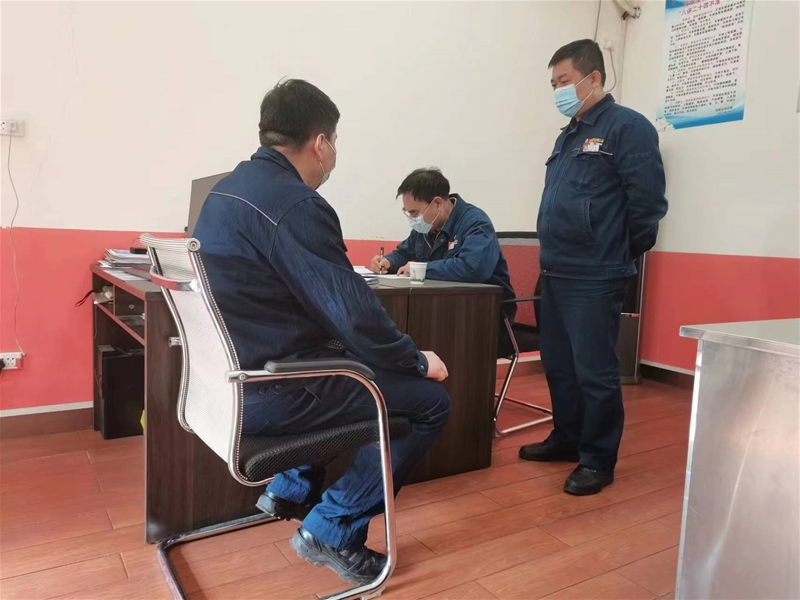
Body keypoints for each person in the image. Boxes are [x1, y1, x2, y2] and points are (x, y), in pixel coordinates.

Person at [192, 80, 451, 584]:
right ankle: (331, 529)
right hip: (272, 391)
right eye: (334, 142)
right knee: (428, 402)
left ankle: (289, 491)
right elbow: (353, 315)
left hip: (230, 383)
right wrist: (417, 360)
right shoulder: (295, 204)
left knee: (348, 367)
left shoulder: (224, 191)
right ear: (320, 142)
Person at [519, 40, 668, 495]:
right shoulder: (568, 134)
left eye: (564, 81)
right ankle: (567, 437)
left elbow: (647, 207)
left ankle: (598, 459)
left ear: (594, 77)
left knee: (595, 371)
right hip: (555, 270)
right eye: (553, 84)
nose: (558, 91)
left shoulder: (628, 127)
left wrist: (613, 252)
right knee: (559, 365)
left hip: (594, 274)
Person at [369, 168, 516, 318]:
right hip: (439, 305)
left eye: (414, 212)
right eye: (407, 212)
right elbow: (404, 253)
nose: (412, 219)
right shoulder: (425, 227)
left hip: (481, 310)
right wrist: (388, 262)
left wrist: (421, 269)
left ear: (438, 203)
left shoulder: (475, 223)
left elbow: (473, 268)